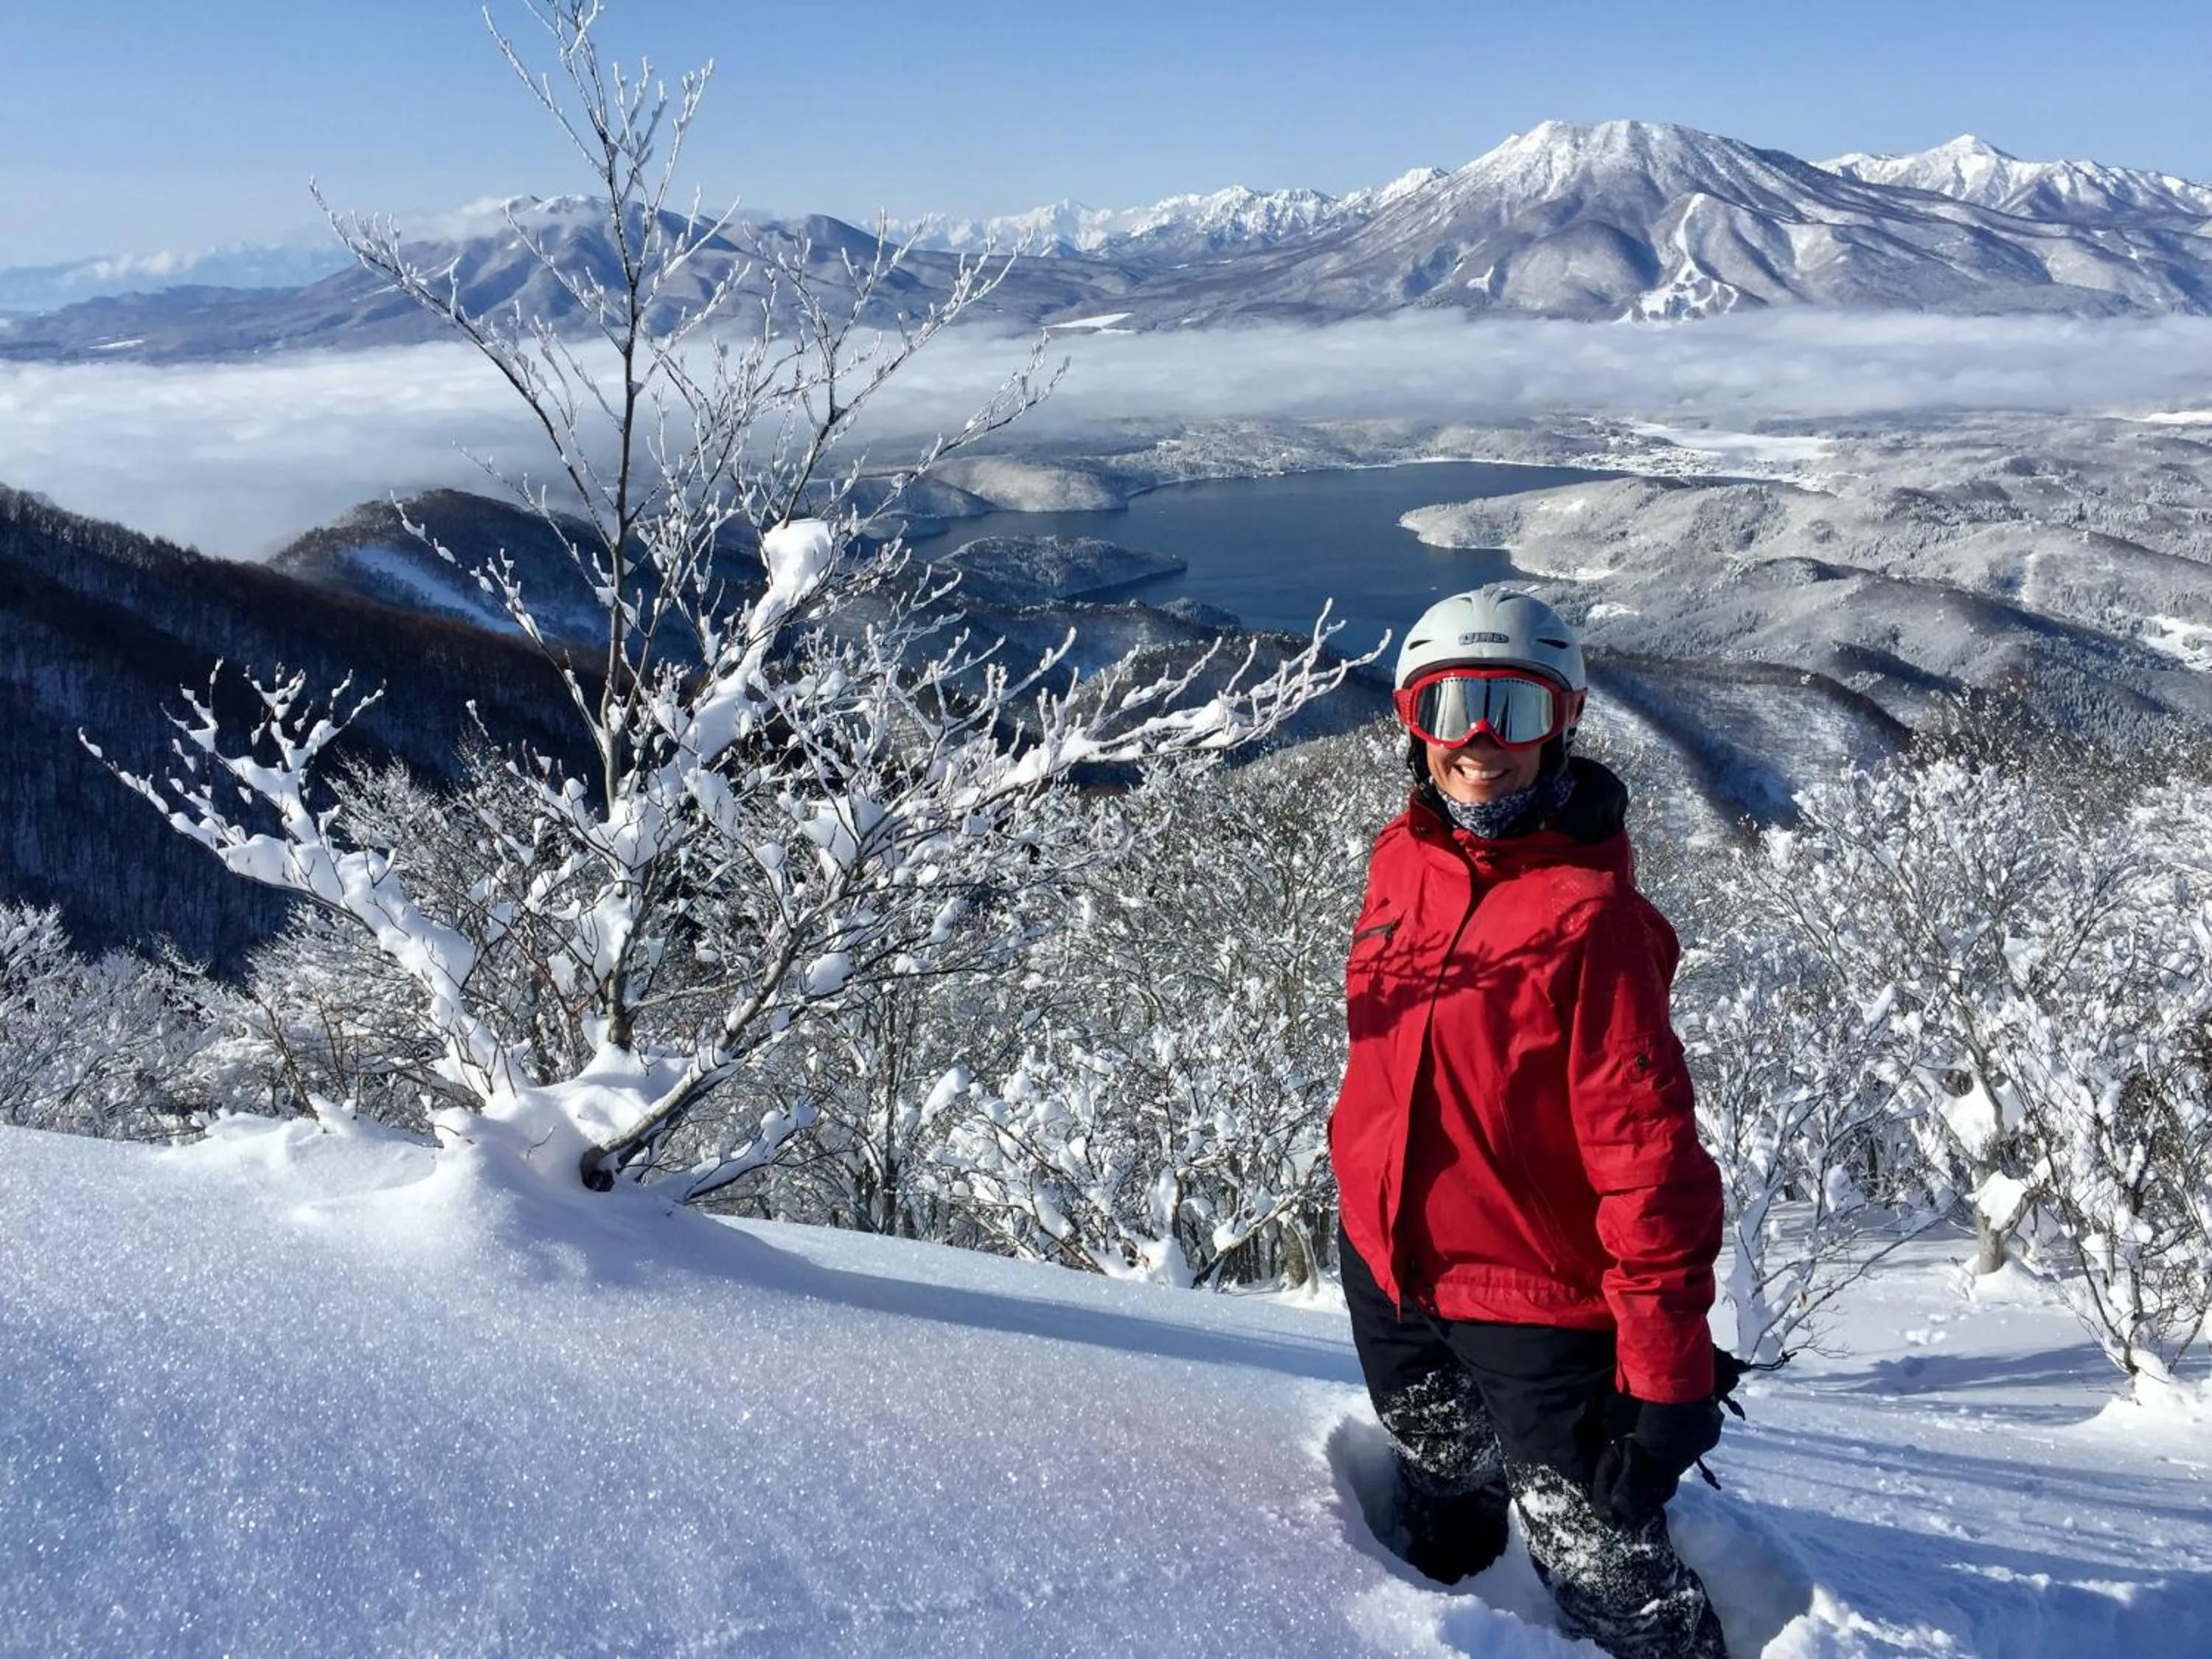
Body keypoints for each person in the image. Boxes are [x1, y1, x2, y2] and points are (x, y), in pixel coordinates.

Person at [1329, 585, 1729, 1659]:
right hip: (1390, 1267)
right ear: (1412, 720)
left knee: (1604, 1563)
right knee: (1440, 1472)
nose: (1475, 742)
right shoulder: (1397, 859)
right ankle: (1444, 1613)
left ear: (1563, 719)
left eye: (1509, 708)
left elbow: (1649, 1165)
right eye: (1446, 703)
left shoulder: (1594, 923)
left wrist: (1665, 1372)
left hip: (1536, 1307)